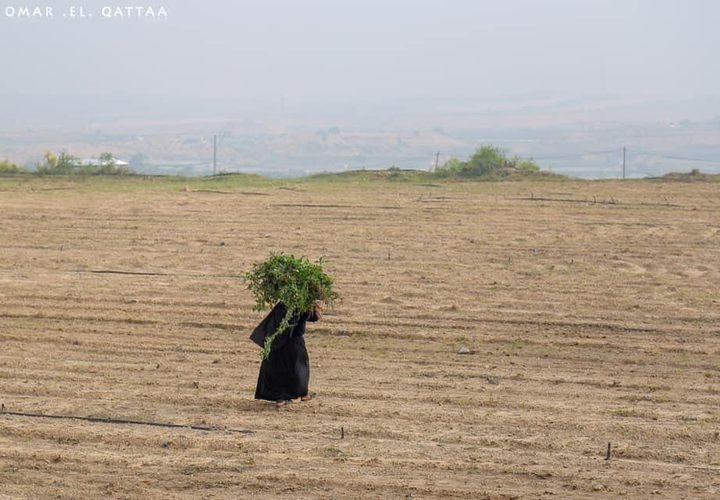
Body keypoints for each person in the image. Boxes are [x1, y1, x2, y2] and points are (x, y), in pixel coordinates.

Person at [251, 301, 323, 409]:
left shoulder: (286, 303)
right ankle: (301, 394)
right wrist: (315, 312)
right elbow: (307, 315)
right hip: (291, 339)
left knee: (279, 367)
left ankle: (284, 398)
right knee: (299, 366)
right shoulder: (297, 303)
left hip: (277, 338)